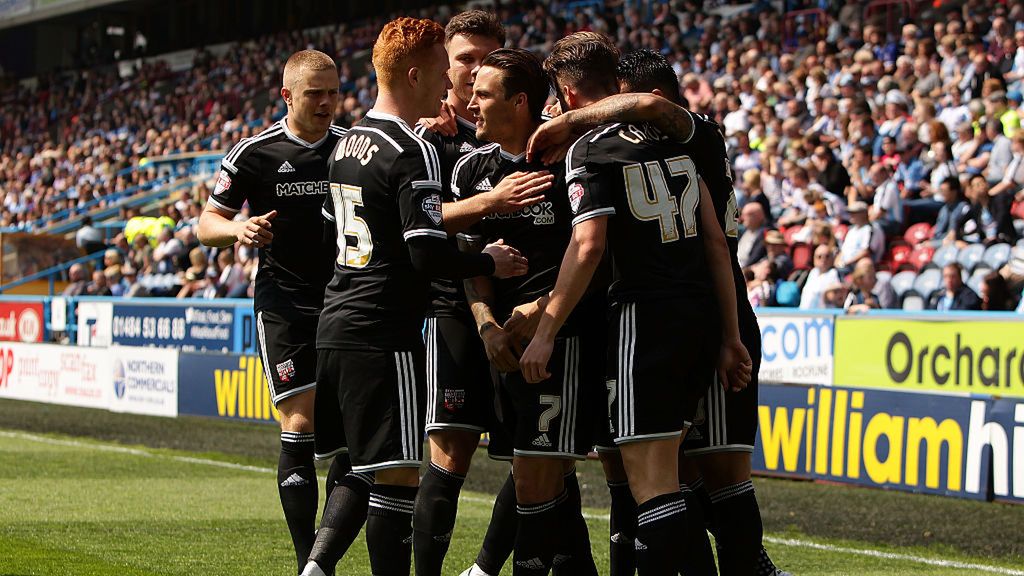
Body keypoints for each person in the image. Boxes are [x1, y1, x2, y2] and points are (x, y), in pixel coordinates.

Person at [520, 32, 751, 576]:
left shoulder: (590, 146)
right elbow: (715, 243)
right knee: (683, 475)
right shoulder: (679, 140)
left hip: (644, 317)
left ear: (569, 96)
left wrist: (546, 327)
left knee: (651, 483)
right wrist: (731, 334)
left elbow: (590, 243)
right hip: (703, 313)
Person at [302, 18, 525, 576]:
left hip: (338, 318)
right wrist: (485, 261)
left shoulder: (345, 142)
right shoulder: (411, 148)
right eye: (449, 67)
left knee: (362, 463)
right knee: (398, 475)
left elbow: (336, 235)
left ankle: (314, 567)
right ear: (418, 71)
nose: (456, 82)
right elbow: (424, 253)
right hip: (385, 328)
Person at [195, 49, 356, 575]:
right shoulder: (253, 153)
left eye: (333, 90)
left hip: (346, 301)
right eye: (315, 93)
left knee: (354, 438)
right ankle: (306, 561)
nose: (328, 102)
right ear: (287, 95)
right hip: (284, 303)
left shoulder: (353, 149)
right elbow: (206, 223)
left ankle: (319, 560)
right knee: (300, 423)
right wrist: (237, 230)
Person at [404, 14, 554, 576]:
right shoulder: (420, 134)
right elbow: (411, 217)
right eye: (465, 59)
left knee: (536, 456)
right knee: (449, 450)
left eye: (486, 61)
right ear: (446, 64)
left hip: (530, 313)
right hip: (457, 304)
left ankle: (485, 568)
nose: (473, 73)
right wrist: (486, 316)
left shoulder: (527, 133)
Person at [454, 48, 598, 576]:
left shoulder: (568, 157)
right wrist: (487, 325)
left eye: (483, 94)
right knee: (539, 476)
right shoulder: (472, 168)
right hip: (503, 349)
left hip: (561, 342)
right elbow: (468, 261)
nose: (471, 103)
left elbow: (591, 251)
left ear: (519, 103)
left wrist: (541, 313)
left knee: (539, 477)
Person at [799, 245, 840, 310]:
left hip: (824, 316)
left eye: (827, 256)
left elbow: (837, 297)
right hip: (805, 315)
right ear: (814, 259)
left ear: (832, 258)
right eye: (819, 257)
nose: (823, 259)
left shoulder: (835, 273)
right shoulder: (813, 272)